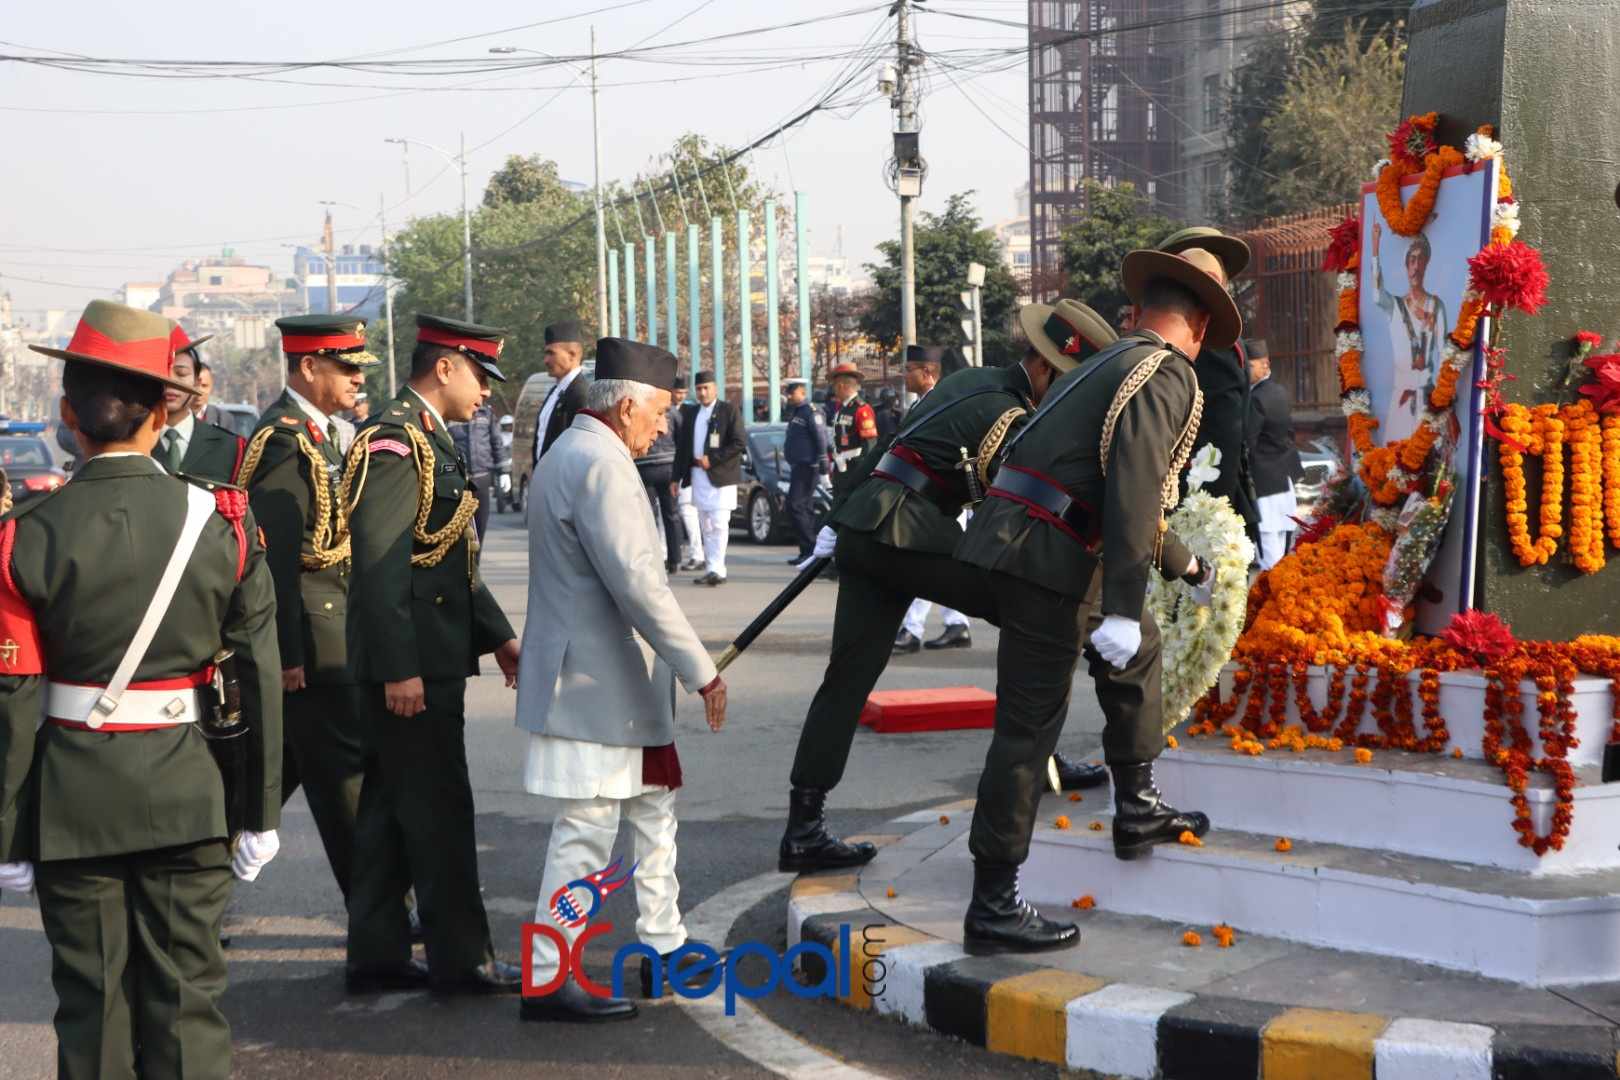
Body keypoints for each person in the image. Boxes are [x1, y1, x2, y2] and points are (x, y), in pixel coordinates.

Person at [0, 299, 282, 1078]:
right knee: (190, 1002)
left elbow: (15, 694)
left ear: (66, 415)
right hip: (190, 791)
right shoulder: (223, 521)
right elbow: (259, 674)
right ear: (168, 409)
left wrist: (8, 829)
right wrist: (257, 811)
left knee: (92, 1013)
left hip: (71, 803)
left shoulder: (25, 532)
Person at [953, 246, 1239, 953]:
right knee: (1028, 731)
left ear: (1142, 312)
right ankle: (993, 903)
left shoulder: (1112, 363)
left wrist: (1179, 572)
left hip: (1034, 548)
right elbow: (1137, 485)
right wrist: (1118, 601)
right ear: (1199, 325)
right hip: (1049, 563)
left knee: (1137, 650)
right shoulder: (1165, 371)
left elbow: (1107, 484)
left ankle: (1136, 803)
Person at [780, 302, 1107, 874]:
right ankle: (1041, 761)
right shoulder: (1013, 415)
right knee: (1034, 613)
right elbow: (1012, 506)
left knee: (847, 678)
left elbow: (889, 445)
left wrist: (838, 519)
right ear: (1047, 369)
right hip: (908, 530)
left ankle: (803, 827)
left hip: (867, 526)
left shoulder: (967, 378)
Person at [516, 338, 728, 1022]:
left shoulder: (571, 453)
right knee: (587, 826)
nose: (664, 425)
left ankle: (663, 943)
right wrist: (701, 670)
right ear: (628, 404)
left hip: (607, 679)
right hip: (593, 681)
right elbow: (639, 584)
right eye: (660, 411)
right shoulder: (600, 466)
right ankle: (548, 977)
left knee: (650, 811)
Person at [342, 313, 523, 995]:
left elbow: (446, 556)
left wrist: (498, 633)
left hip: (427, 654)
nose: (485, 393)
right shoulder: (395, 441)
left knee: (389, 810)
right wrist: (400, 669)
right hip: (412, 665)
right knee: (442, 812)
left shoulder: (427, 439)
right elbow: (382, 566)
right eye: (480, 376)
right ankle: (462, 958)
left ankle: (378, 951)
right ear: (443, 366)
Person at [236, 314, 378, 905]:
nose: (356, 380)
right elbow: (272, 562)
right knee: (343, 780)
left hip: (334, 630)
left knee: (272, 777)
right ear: (308, 367)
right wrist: (288, 653)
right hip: (313, 645)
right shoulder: (284, 442)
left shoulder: (320, 435)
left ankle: (184, 886)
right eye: (345, 368)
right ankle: (380, 918)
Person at [1158, 227, 1262, 550]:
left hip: (1202, 514)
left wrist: (1202, 525)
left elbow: (1220, 442)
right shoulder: (1213, 342)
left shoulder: (1213, 345)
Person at [890, 345, 972, 654]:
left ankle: (912, 629)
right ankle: (956, 623)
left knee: (923, 562)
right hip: (928, 495)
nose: (904, 375)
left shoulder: (943, 404)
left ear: (928, 373)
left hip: (943, 497)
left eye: (909, 369)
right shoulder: (924, 404)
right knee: (939, 563)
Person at [1371, 222, 1448, 443]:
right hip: (1401, 399)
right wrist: (1375, 249)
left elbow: (1444, 353)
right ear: (1406, 266)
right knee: (1397, 461)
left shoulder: (1436, 306)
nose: (1415, 266)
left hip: (1427, 397)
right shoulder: (1395, 305)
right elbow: (1377, 295)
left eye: (1420, 259)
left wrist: (1444, 399)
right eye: (1411, 260)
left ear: (1426, 264)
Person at [672, 371, 745, 586]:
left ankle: (718, 569)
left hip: (721, 476)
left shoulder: (729, 410)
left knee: (720, 523)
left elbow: (739, 442)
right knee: (706, 524)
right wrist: (675, 478)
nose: (702, 393)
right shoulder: (692, 413)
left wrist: (713, 459)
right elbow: (683, 448)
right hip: (698, 475)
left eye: (706, 388)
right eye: (699, 389)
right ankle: (711, 567)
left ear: (715, 388)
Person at [155, 325, 246, 483]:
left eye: (181, 373)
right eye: (163, 373)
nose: (170, 382)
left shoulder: (230, 447)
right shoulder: (129, 444)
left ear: (197, 382)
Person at [1248, 340, 1305, 569]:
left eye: (1248, 366)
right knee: (1280, 542)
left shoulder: (1256, 397)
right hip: (1283, 474)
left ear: (1264, 364)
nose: (1245, 372)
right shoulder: (1279, 391)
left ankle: (1271, 594)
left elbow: (1248, 440)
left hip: (1265, 478)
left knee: (1268, 545)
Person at [636, 377, 683, 573]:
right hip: (668, 468)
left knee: (648, 517)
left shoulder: (642, 408)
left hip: (644, 468)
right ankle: (675, 560)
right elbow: (682, 440)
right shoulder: (672, 412)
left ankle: (654, 559)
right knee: (671, 515)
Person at [782, 377, 828, 562]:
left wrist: (823, 459)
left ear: (801, 391)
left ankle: (810, 549)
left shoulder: (812, 411)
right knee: (804, 507)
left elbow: (820, 436)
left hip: (809, 466)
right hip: (799, 466)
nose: (789, 396)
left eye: (791, 392)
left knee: (796, 505)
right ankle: (806, 551)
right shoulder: (798, 411)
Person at [534, 317, 590, 466]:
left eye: (551, 353)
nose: (546, 360)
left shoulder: (580, 394)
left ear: (572, 354)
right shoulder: (555, 391)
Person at [452, 400, 509, 543]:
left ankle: (475, 564)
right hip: (458, 480)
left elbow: (496, 442)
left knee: (479, 530)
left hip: (482, 478)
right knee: (457, 533)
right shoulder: (452, 412)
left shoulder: (486, 413)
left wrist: (504, 471)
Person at [826, 362, 878, 499]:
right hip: (842, 470)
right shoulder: (842, 408)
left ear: (841, 386)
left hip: (855, 473)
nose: (834, 390)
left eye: (834, 386)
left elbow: (870, 446)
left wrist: (862, 474)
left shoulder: (861, 410)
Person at [667, 381, 703, 571]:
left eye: (683, 392)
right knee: (664, 514)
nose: (680, 396)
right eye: (677, 392)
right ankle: (665, 552)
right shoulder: (666, 408)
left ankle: (697, 554)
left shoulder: (690, 412)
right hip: (669, 466)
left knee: (688, 512)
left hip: (684, 467)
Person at [193, 358, 225, 425]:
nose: (199, 391)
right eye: (195, 385)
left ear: (211, 387)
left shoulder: (223, 419)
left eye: (204, 386)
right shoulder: (172, 415)